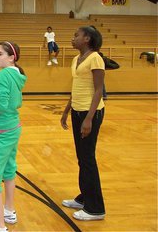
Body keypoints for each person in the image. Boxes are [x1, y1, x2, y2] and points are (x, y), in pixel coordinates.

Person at [60, 26, 106, 221]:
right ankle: (84, 197)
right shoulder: (75, 59)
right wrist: (66, 111)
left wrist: (88, 118)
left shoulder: (95, 58)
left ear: (87, 38)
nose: (73, 38)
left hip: (91, 113)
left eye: (76, 35)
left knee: (88, 158)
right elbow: (76, 87)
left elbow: (98, 90)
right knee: (82, 158)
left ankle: (95, 208)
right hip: (77, 111)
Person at [0, 41, 27, 232]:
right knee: (9, 170)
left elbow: (1, 105)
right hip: (13, 127)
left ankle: (0, 226)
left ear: (11, 57)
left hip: (4, 131)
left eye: (0, 54)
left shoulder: (3, 76)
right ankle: (9, 210)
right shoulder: (17, 74)